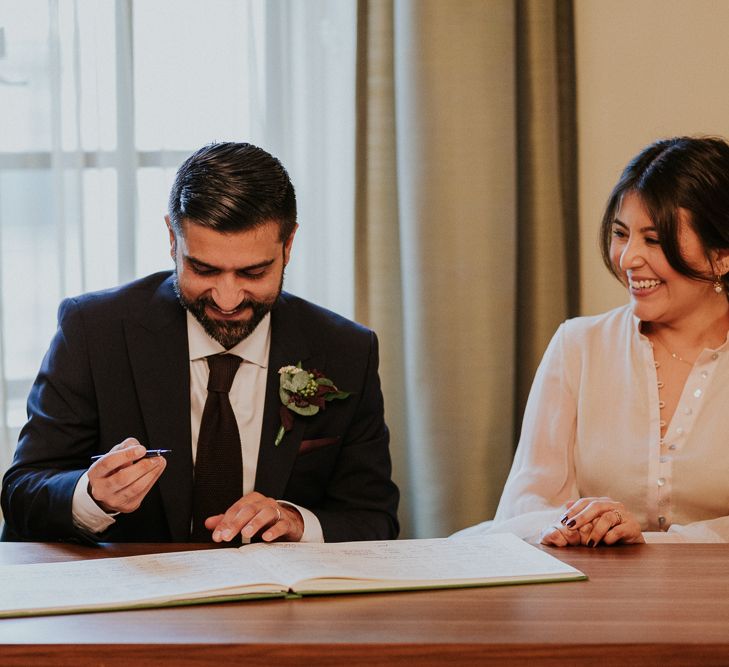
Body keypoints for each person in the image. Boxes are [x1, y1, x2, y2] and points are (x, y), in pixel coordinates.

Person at [1, 142, 399, 544]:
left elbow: (373, 519)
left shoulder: (347, 350)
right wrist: (91, 496)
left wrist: (298, 521)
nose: (227, 300)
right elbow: (22, 492)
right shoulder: (93, 331)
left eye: (253, 273)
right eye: (204, 269)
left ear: (289, 245)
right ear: (173, 241)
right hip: (136, 597)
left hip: (280, 602)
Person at [455, 136, 729, 546]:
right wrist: (580, 524)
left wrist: (647, 541)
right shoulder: (578, 346)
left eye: (653, 240)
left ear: (722, 255)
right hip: (591, 592)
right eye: (622, 234)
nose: (628, 258)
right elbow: (526, 506)